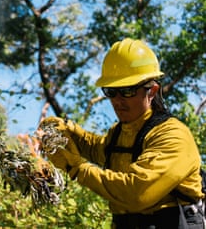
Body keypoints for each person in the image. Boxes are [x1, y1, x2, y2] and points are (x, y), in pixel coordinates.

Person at [44, 38, 204, 228]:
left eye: (127, 91)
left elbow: (137, 193)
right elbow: (102, 150)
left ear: (152, 91)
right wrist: (70, 131)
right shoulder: (120, 132)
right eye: (111, 91)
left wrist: (77, 168)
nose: (118, 100)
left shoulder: (172, 135)